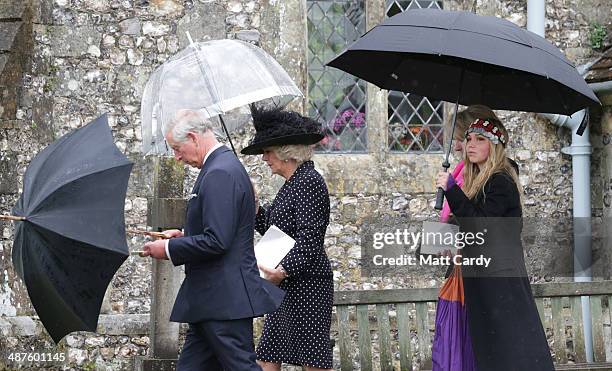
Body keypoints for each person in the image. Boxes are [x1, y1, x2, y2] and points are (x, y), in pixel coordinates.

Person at [142, 109, 285, 371]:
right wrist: (184, 236)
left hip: (222, 300)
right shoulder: (220, 168)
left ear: (194, 138)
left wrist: (170, 248)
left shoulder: (220, 172)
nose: (176, 156)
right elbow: (221, 231)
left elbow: (217, 241)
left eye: (177, 148)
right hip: (212, 301)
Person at [435, 111, 554, 370]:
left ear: (495, 145)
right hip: (480, 281)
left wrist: (452, 192)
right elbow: (462, 223)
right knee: (488, 352)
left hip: (501, 283)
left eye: (480, 140)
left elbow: (482, 225)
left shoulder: (500, 181)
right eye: (468, 140)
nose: (470, 145)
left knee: (510, 351)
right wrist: (442, 241)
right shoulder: (476, 181)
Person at [241, 105, 333, 371]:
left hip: (308, 285)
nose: (264, 158)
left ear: (285, 151)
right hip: (285, 285)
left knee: (312, 361)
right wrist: (256, 208)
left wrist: (282, 271)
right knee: (268, 354)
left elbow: (310, 239)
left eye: (267, 152)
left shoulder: (309, 182)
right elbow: (275, 233)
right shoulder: (293, 184)